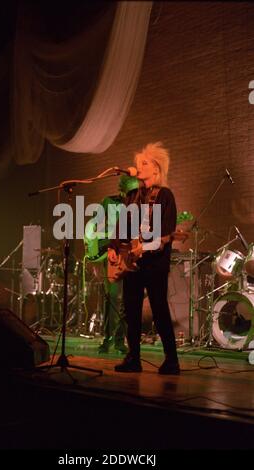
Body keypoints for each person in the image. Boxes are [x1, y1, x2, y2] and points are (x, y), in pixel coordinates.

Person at [108, 142, 180, 375]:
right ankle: (133, 358)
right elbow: (122, 226)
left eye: (145, 163)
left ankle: (171, 360)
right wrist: (114, 246)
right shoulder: (132, 196)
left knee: (159, 309)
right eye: (138, 164)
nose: (139, 167)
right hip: (132, 263)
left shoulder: (165, 196)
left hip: (155, 263)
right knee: (131, 310)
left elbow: (165, 232)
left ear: (157, 169)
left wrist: (146, 248)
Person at [84, 175, 139, 354]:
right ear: (121, 189)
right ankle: (107, 340)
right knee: (113, 298)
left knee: (127, 300)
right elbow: (92, 225)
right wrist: (92, 249)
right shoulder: (108, 202)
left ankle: (119, 341)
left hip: (129, 255)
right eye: (129, 191)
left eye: (134, 191)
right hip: (110, 254)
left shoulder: (138, 207)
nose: (131, 195)